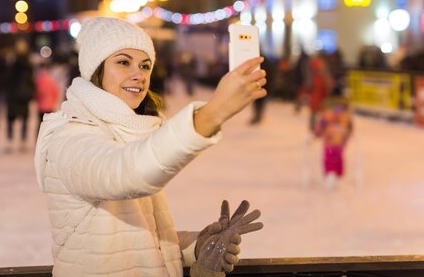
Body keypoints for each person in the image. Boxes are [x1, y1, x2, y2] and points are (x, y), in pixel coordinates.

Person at [34, 17, 266, 277]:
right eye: (123, 62)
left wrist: (197, 247)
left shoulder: (131, 133)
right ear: (95, 69)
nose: (139, 74)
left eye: (145, 65)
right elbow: (128, 173)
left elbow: (137, 240)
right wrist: (213, 113)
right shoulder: (69, 136)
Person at [314, 96, 353, 190]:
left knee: (337, 158)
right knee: (331, 158)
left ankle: (335, 173)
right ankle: (331, 173)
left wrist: (346, 136)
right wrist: (318, 133)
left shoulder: (344, 119)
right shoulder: (328, 119)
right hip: (331, 144)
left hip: (337, 144)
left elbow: (349, 129)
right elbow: (320, 128)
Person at [4, 39, 35, 153]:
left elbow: (7, 79)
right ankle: (23, 142)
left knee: (11, 119)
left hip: (13, 96)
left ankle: (10, 142)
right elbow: (31, 80)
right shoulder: (29, 64)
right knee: (24, 119)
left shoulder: (12, 64)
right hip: (24, 96)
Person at [34, 60, 59, 137]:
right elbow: (55, 92)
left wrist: (37, 100)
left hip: (41, 106)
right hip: (49, 106)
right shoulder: (51, 80)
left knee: (40, 123)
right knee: (48, 124)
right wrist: (54, 101)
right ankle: (47, 137)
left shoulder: (38, 80)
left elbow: (36, 92)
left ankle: (38, 137)